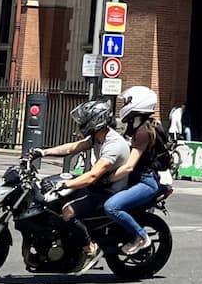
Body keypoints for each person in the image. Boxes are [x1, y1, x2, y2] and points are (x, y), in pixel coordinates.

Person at [31, 99, 130, 274]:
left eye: (84, 121)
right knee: (55, 201)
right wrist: (42, 152)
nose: (80, 124)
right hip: (98, 186)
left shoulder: (113, 145)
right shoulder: (98, 137)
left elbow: (92, 176)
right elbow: (73, 148)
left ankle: (90, 249)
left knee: (68, 212)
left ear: (95, 121)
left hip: (109, 192)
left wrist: (64, 184)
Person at [106, 86, 174, 256]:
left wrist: (108, 178)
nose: (123, 105)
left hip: (145, 181)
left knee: (112, 207)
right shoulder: (135, 126)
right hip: (135, 178)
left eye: (127, 101)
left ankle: (140, 236)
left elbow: (129, 165)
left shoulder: (144, 131)